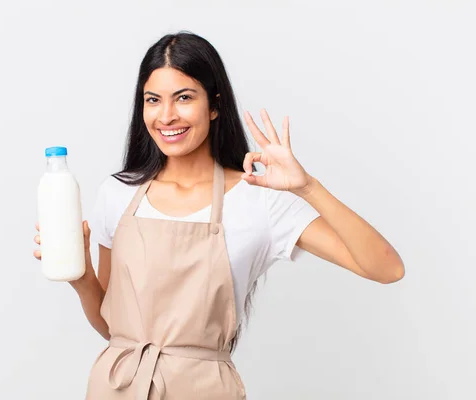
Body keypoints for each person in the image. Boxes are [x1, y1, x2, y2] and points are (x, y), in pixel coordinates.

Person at [33, 32, 404, 400]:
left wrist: (307, 187)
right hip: (116, 389)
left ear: (214, 105)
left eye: (184, 97)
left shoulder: (257, 199)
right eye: (153, 100)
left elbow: (387, 268)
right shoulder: (118, 193)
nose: (166, 116)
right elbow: (113, 328)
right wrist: (81, 278)